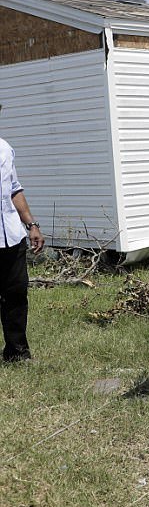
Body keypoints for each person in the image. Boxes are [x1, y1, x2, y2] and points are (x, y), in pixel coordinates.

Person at [1, 134, 44, 363]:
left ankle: (17, 353)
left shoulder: (5, 148)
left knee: (16, 295)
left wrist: (31, 224)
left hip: (12, 237)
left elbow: (14, 189)